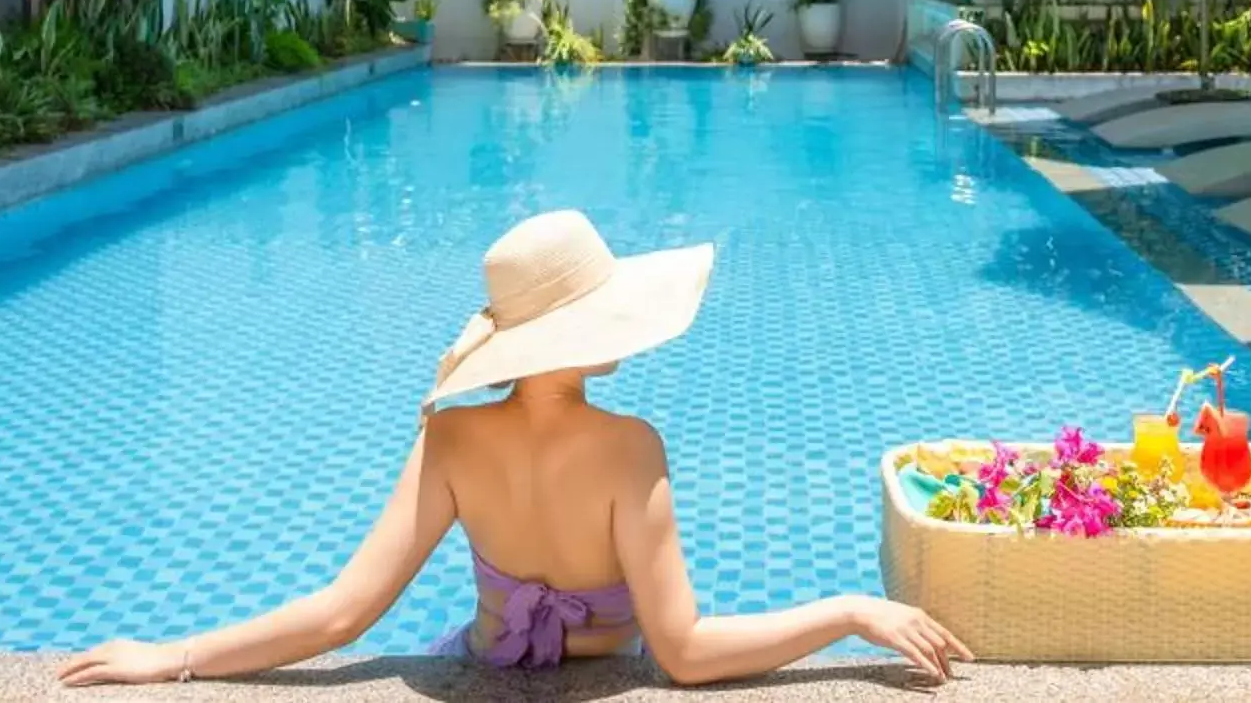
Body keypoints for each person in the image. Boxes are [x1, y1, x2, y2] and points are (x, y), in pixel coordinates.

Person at [57, 209, 970, 687]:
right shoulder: (629, 449)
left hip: (475, 666)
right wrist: (852, 611)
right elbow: (685, 652)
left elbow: (342, 614)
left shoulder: (452, 438)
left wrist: (172, 656)